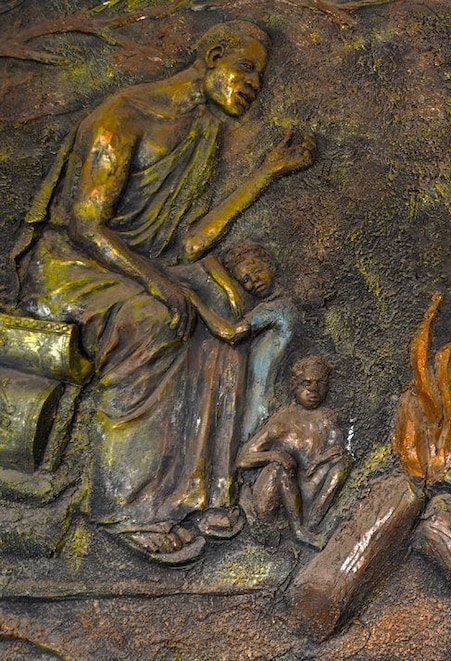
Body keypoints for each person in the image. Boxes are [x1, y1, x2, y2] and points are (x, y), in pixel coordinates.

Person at [15, 20, 315, 564]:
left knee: (224, 307)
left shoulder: (202, 133)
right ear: (213, 55)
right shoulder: (124, 115)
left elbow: (189, 242)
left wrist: (267, 174)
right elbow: (86, 224)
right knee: (152, 321)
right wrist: (157, 282)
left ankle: (204, 493)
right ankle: (125, 504)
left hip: (139, 268)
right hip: (70, 268)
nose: (253, 85)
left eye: (260, 77)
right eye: (246, 68)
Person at [190, 242, 301, 440]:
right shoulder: (274, 305)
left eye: (257, 271)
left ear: (270, 266)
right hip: (259, 397)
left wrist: (195, 301)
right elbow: (208, 260)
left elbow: (230, 333)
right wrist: (229, 288)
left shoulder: (277, 307)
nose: (254, 281)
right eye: (245, 279)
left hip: (263, 401)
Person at [238, 356, 350, 549]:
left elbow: (325, 458)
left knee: (342, 464)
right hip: (274, 495)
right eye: (306, 383)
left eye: (320, 383)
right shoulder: (283, 420)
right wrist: (274, 455)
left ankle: (311, 525)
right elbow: (243, 459)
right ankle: (297, 531)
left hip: (307, 490)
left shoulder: (329, 419)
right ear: (294, 385)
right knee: (278, 468)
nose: (313, 390)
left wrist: (327, 458)